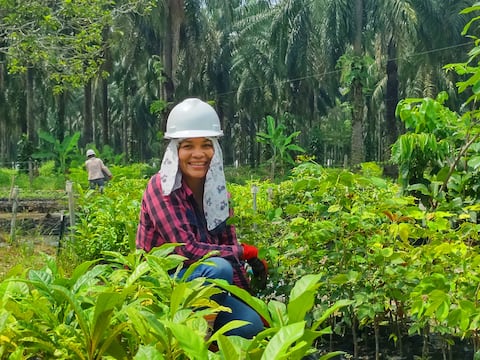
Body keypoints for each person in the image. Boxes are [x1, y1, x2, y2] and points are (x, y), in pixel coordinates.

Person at [136, 98, 267, 339]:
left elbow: (228, 250)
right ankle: (197, 340)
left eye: (206, 145)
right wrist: (243, 251)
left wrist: (252, 302)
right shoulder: (161, 188)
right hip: (164, 283)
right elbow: (188, 250)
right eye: (188, 146)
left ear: (214, 149)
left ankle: (212, 341)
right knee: (217, 267)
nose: (198, 154)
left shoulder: (218, 193)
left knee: (250, 326)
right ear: (175, 150)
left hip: (205, 283)